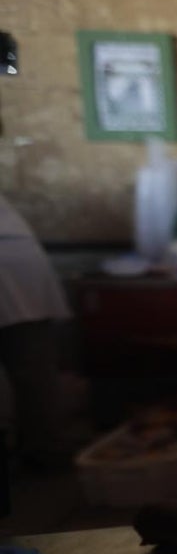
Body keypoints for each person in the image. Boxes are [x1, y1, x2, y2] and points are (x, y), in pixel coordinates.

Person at [0, 192, 76, 472]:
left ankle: (46, 453)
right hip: (19, 266)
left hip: (11, 267)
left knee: (32, 373)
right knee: (32, 372)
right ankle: (45, 450)